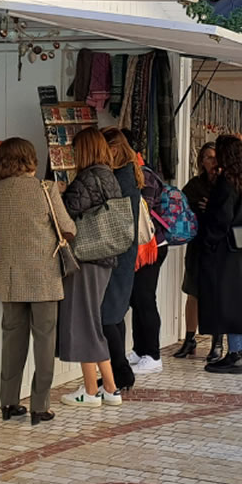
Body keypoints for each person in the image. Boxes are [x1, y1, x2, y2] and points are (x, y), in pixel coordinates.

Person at [0, 137, 74, 426]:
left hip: (8, 276)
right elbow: (68, 228)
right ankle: (39, 407)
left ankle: (8, 403)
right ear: (30, 158)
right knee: (44, 342)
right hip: (43, 276)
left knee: (12, 341)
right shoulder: (45, 188)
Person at [57, 129, 122, 408]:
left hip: (87, 258)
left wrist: (58, 194)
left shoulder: (87, 178)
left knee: (85, 322)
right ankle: (106, 388)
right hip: (105, 258)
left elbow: (65, 213)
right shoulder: (109, 175)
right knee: (90, 320)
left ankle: (97, 390)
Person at [198, 135, 242, 374]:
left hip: (225, 250)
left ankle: (236, 354)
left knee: (229, 303)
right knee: (239, 301)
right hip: (241, 249)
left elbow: (221, 218)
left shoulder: (226, 181)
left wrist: (208, 239)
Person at [101, 128, 142, 391]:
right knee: (114, 315)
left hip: (117, 253)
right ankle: (119, 371)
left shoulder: (121, 178)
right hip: (124, 252)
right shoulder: (130, 173)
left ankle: (121, 372)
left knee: (107, 316)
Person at [173, 142, 216, 359]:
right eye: (208, 157)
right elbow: (181, 209)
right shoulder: (194, 185)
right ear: (201, 161)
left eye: (216, 157)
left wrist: (214, 208)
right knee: (193, 293)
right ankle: (190, 339)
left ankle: (217, 342)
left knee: (217, 295)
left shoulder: (226, 184)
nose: (212, 161)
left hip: (218, 247)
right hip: (197, 245)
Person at [128, 152, 168, 376]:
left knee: (145, 298)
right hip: (141, 247)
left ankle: (153, 355)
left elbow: (143, 209)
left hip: (152, 246)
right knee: (137, 298)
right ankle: (139, 349)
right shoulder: (137, 173)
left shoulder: (146, 177)